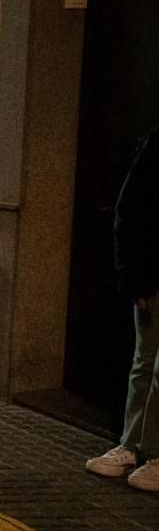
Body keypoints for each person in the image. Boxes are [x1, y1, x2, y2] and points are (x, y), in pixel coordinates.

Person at [87, 125, 159, 490]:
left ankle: (150, 450)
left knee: (152, 364)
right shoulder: (154, 146)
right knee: (145, 361)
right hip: (153, 275)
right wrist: (133, 277)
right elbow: (129, 211)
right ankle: (134, 446)